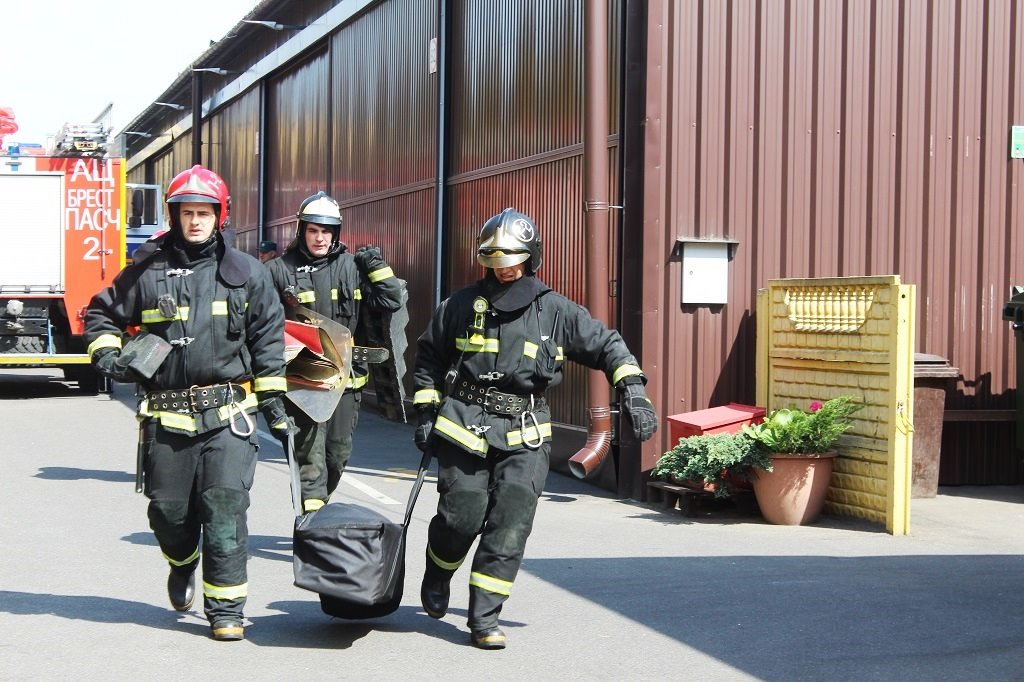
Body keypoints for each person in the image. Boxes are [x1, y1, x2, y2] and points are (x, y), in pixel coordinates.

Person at [412, 207, 658, 649]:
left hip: (525, 432)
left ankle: (484, 617)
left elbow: (608, 345)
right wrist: (427, 410)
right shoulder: (461, 305)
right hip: (465, 425)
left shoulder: (555, 311)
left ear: (530, 257)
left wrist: (633, 390)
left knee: (511, 523)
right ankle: (439, 570)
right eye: (495, 261)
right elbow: (428, 358)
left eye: (512, 259)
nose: (503, 269)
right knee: (461, 516)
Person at [83, 165, 292, 642]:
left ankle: (226, 609)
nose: (195, 221)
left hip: (229, 415)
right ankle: (182, 562)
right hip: (166, 414)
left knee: (225, 506)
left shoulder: (248, 274)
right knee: (168, 512)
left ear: (220, 216)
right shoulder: (145, 271)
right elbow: (100, 313)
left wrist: (274, 402)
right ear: (173, 215)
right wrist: (108, 354)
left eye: (204, 212)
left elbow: (268, 341)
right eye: (186, 212)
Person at [265, 191, 403, 513]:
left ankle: (317, 509)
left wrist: (377, 267)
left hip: (346, 384)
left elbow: (391, 300)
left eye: (326, 231)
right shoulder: (278, 271)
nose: (319, 238)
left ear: (335, 233)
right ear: (302, 231)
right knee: (309, 462)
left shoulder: (352, 268)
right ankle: (311, 524)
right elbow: (263, 327)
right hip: (302, 383)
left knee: (336, 457)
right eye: (313, 230)